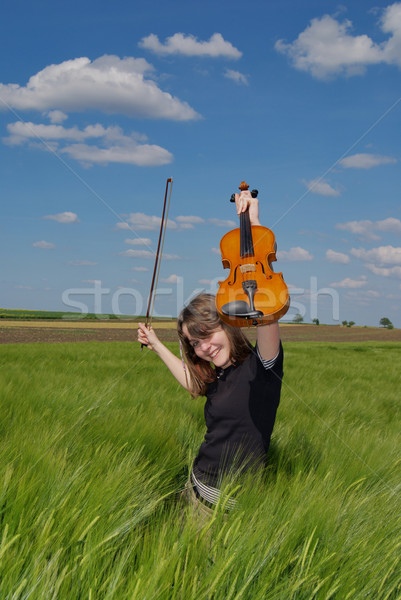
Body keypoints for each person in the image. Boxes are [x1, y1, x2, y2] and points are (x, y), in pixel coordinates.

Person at [137, 188, 284, 516]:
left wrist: (254, 227)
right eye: (194, 343)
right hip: (197, 488)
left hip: (237, 505)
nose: (202, 348)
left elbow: (267, 304)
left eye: (206, 335)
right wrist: (158, 344)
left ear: (227, 324)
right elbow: (192, 383)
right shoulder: (217, 374)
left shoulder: (262, 369)